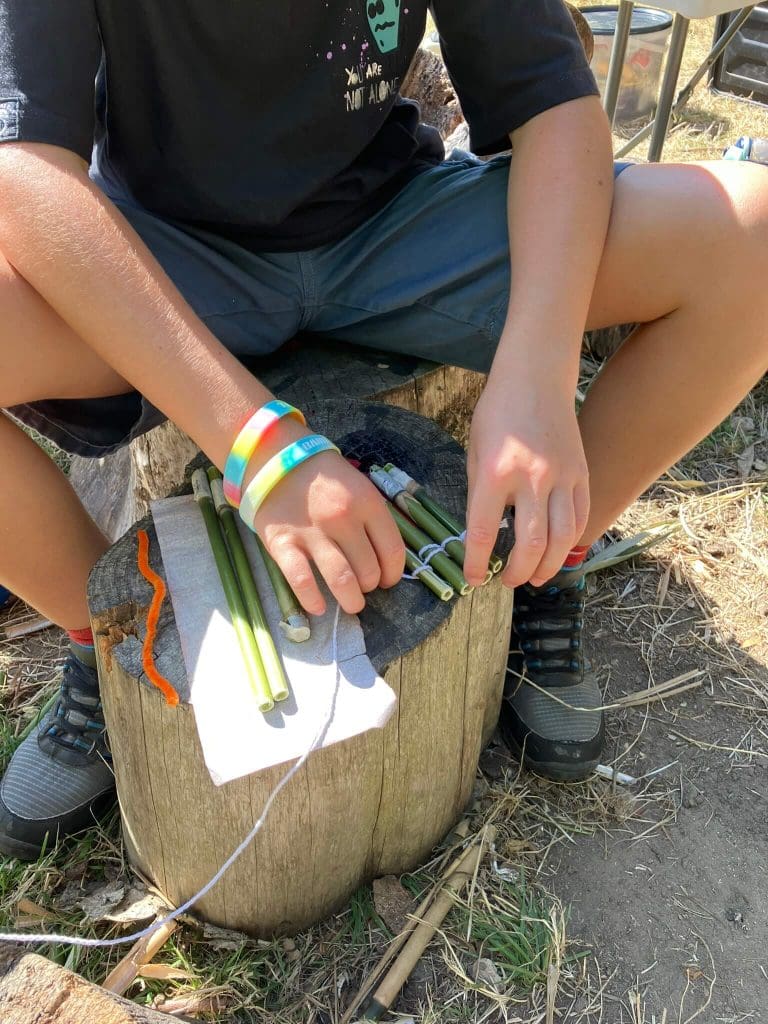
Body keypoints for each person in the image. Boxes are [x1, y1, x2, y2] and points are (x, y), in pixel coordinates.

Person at [0, 1, 766, 861]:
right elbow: (26, 171)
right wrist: (258, 444)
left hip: (393, 225)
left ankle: (544, 553)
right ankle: (110, 643)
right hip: (163, 258)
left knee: (752, 236)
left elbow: (554, 103)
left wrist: (540, 368)